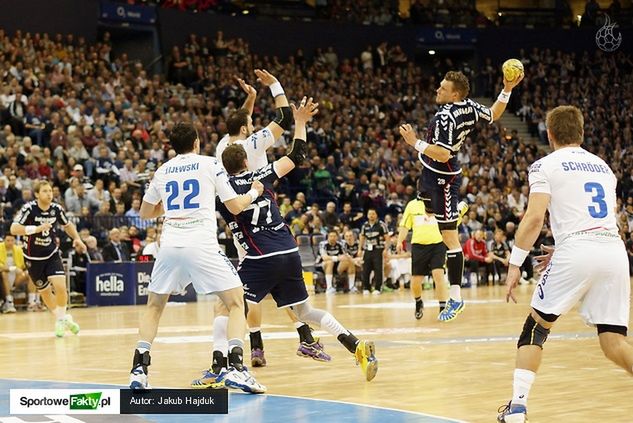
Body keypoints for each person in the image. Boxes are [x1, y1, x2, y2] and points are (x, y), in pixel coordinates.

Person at [196, 98, 377, 387]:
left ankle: (226, 366)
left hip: (259, 258)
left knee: (227, 307)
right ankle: (354, 344)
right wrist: (301, 122)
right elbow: (298, 154)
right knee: (305, 311)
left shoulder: (223, 191)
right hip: (290, 252)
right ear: (246, 161)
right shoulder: (263, 175)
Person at [498, 106, 633, 422]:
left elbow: (533, 219)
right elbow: (593, 220)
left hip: (577, 250)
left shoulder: (544, 165)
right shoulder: (603, 167)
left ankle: (517, 408)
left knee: (536, 327)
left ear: (550, 133)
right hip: (614, 251)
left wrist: (515, 263)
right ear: (582, 133)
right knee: (614, 343)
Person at [128, 122, 266, 393]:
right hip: (200, 244)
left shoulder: (163, 170)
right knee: (237, 302)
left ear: (173, 146)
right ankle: (237, 368)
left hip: (169, 244)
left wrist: (170, 209)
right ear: (196, 144)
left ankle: (139, 369)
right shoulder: (210, 164)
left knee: (154, 307)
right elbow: (236, 205)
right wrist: (255, 192)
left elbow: (145, 213)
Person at [400, 69, 524, 321]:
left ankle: (456, 298)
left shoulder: (446, 117)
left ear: (454, 94)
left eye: (443, 88)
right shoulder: (468, 105)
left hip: (442, 177)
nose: (437, 90)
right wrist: (507, 88)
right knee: (429, 210)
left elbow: (443, 154)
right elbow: (494, 113)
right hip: (429, 174)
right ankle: (455, 211)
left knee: (449, 239)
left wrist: (414, 142)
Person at [213, 69, 318, 368]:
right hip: (260, 209)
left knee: (253, 292)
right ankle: (303, 336)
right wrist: (274, 86)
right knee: (270, 282)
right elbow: (284, 119)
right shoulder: (253, 144)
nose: (253, 122)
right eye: (250, 122)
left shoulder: (223, 146)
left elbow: (239, 123)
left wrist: (251, 98)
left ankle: (257, 347)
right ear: (247, 130)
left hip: (241, 222)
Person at [10, 180, 86, 336]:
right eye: (45, 191)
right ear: (37, 194)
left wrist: (77, 238)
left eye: (50, 191)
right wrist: (37, 229)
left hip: (51, 254)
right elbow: (14, 228)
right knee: (44, 292)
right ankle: (63, 319)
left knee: (60, 286)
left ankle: (60, 320)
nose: (49, 194)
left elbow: (68, 225)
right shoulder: (29, 209)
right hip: (32, 257)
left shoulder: (56, 209)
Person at [396, 197, 449, 320]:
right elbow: (404, 226)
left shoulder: (439, 202)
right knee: (415, 280)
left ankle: (443, 308)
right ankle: (418, 301)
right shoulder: (412, 205)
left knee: (438, 275)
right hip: (419, 246)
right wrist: (399, 241)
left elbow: (448, 225)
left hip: (438, 244)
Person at [0, 233, 42, 312]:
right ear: (4, 241)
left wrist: (22, 270)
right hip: (4, 276)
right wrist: (12, 268)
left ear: (14, 241)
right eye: (8, 240)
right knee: (4, 273)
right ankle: (9, 302)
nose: (10, 242)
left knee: (31, 273)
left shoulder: (18, 249)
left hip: (16, 277)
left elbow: (22, 265)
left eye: (12, 240)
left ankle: (31, 301)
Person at [358, 208, 390, 295]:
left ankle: (378, 288)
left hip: (378, 249)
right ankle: (366, 288)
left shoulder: (381, 225)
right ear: (367, 215)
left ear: (376, 215)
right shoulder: (365, 225)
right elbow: (362, 237)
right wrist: (360, 249)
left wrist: (386, 249)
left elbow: (387, 238)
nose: (371, 216)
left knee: (378, 269)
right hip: (367, 249)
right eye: (370, 214)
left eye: (373, 214)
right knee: (366, 269)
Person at [318, 230, 346, 295]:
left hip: (335, 265)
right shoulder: (323, 244)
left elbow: (344, 256)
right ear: (327, 237)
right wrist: (337, 258)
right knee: (330, 262)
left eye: (334, 236)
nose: (332, 238)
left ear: (337, 237)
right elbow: (324, 257)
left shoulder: (340, 244)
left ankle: (351, 287)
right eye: (331, 236)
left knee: (347, 262)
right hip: (321, 264)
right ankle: (329, 288)